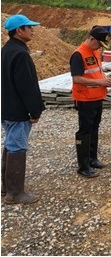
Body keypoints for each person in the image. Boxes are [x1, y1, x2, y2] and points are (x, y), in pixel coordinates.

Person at [1, 15, 45, 204]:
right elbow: (27, 86)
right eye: (29, 27)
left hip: (7, 107)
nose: (32, 30)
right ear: (19, 31)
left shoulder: (6, 50)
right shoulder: (20, 54)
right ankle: (15, 194)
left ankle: (6, 188)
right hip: (17, 110)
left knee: (10, 144)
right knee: (17, 146)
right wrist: (35, 111)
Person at [71, 26, 111, 178]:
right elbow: (77, 78)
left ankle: (92, 159)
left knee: (94, 128)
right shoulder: (78, 55)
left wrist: (105, 78)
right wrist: (101, 82)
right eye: (99, 44)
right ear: (92, 39)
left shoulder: (95, 52)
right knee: (84, 131)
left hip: (97, 97)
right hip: (85, 99)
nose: (100, 48)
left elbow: (94, 73)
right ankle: (83, 166)